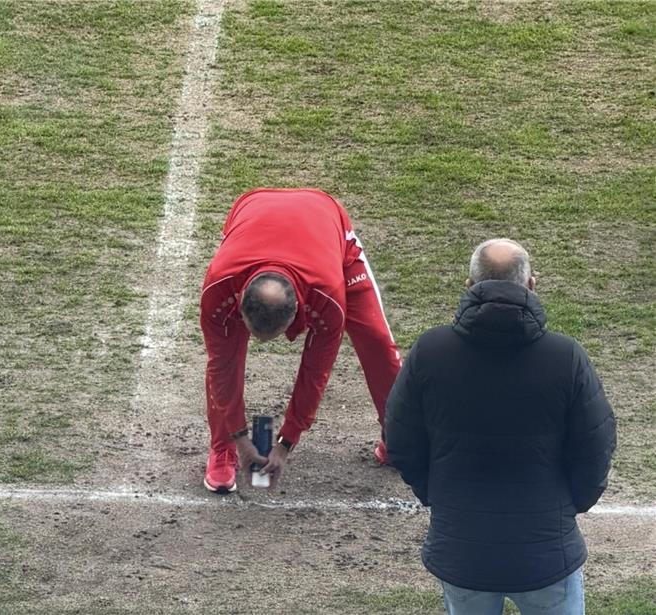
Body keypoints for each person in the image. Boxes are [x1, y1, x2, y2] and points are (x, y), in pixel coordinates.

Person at [385, 238, 616, 615]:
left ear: (469, 286)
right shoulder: (566, 357)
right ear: (531, 285)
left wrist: (439, 495)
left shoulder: (430, 351)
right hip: (546, 552)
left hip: (462, 551)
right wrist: (568, 507)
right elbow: (596, 448)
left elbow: (400, 441)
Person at [201, 188, 402, 493]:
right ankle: (222, 449)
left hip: (325, 227)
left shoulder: (327, 297)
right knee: (223, 360)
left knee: (376, 340)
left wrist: (286, 442)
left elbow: (315, 371)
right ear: (238, 304)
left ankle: (398, 438)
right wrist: (239, 437)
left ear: (299, 311)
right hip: (252, 217)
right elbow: (221, 367)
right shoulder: (219, 288)